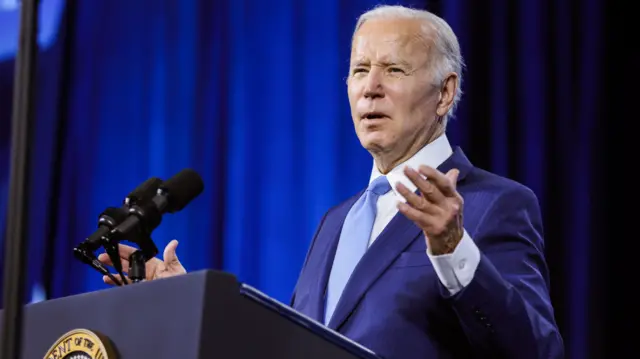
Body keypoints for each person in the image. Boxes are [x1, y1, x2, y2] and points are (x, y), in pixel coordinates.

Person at [99, 5, 564, 358]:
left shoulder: (493, 204)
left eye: (394, 70)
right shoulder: (336, 221)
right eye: (360, 70)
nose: (370, 87)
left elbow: (536, 348)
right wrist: (185, 300)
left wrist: (454, 250)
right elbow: (294, 344)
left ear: (445, 93)